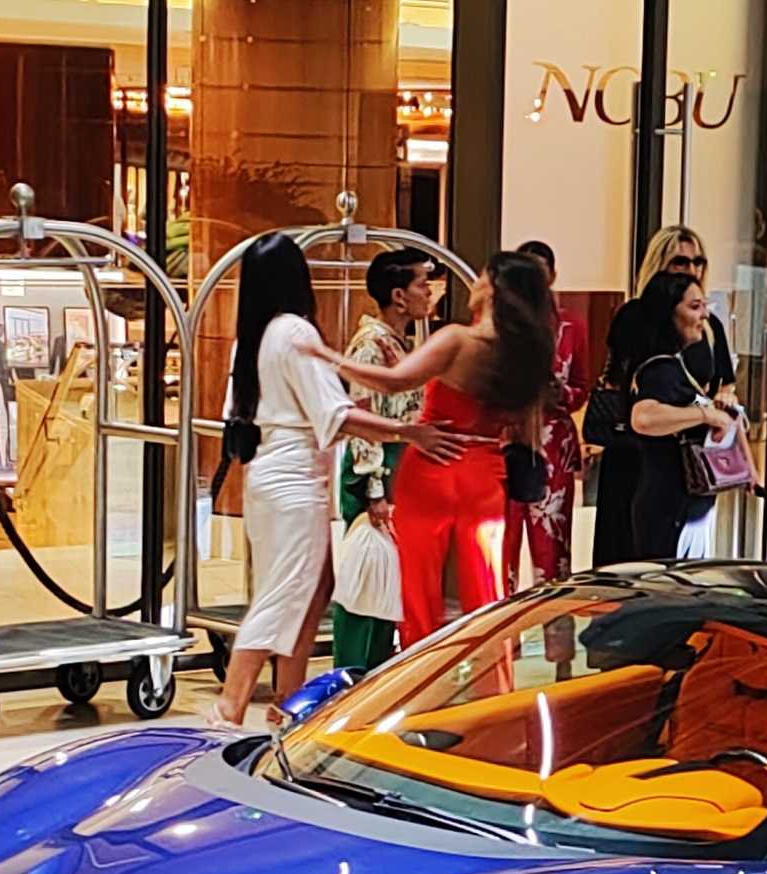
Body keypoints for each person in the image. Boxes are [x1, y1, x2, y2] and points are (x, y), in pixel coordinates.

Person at [214, 235, 458, 726]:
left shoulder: (256, 334)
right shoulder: (290, 332)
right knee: (283, 593)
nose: (428, 290)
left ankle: (286, 704)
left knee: (315, 586)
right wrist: (407, 433)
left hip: (278, 474)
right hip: (293, 479)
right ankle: (229, 707)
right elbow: (339, 412)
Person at [317, 252, 559, 646]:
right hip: (485, 476)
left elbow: (393, 382)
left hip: (431, 467)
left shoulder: (458, 339)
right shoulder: (526, 356)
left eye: (481, 275)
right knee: (485, 590)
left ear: (493, 289)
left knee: (419, 594)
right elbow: (528, 431)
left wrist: (326, 357)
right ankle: (490, 686)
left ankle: (421, 685)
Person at [594, 227, 737, 565]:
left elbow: (723, 383)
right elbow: (620, 380)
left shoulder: (710, 324)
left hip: (689, 455)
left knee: (682, 557)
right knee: (628, 553)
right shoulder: (635, 317)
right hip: (636, 450)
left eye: (698, 261)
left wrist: (720, 407)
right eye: (680, 261)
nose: (692, 269)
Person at [333, 246, 441, 671]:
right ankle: (352, 675)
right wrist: (374, 486)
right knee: (368, 585)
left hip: (399, 463)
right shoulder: (371, 346)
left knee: (387, 586)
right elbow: (363, 417)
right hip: (377, 466)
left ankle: (374, 673)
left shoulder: (397, 342)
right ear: (399, 295)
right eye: (421, 284)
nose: (428, 292)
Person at [619, 271, 736, 559]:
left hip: (683, 505)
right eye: (694, 307)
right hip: (669, 507)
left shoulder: (676, 366)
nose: (705, 316)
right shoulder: (660, 370)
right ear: (668, 314)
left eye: (704, 305)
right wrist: (704, 415)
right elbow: (643, 418)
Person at [502, 240, 590, 587]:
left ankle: (555, 633)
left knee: (552, 551)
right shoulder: (498, 325)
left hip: (554, 442)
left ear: (552, 275)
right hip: (506, 440)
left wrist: (562, 394)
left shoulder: (572, 327)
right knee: (501, 546)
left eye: (540, 273)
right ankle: (502, 637)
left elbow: (582, 387)